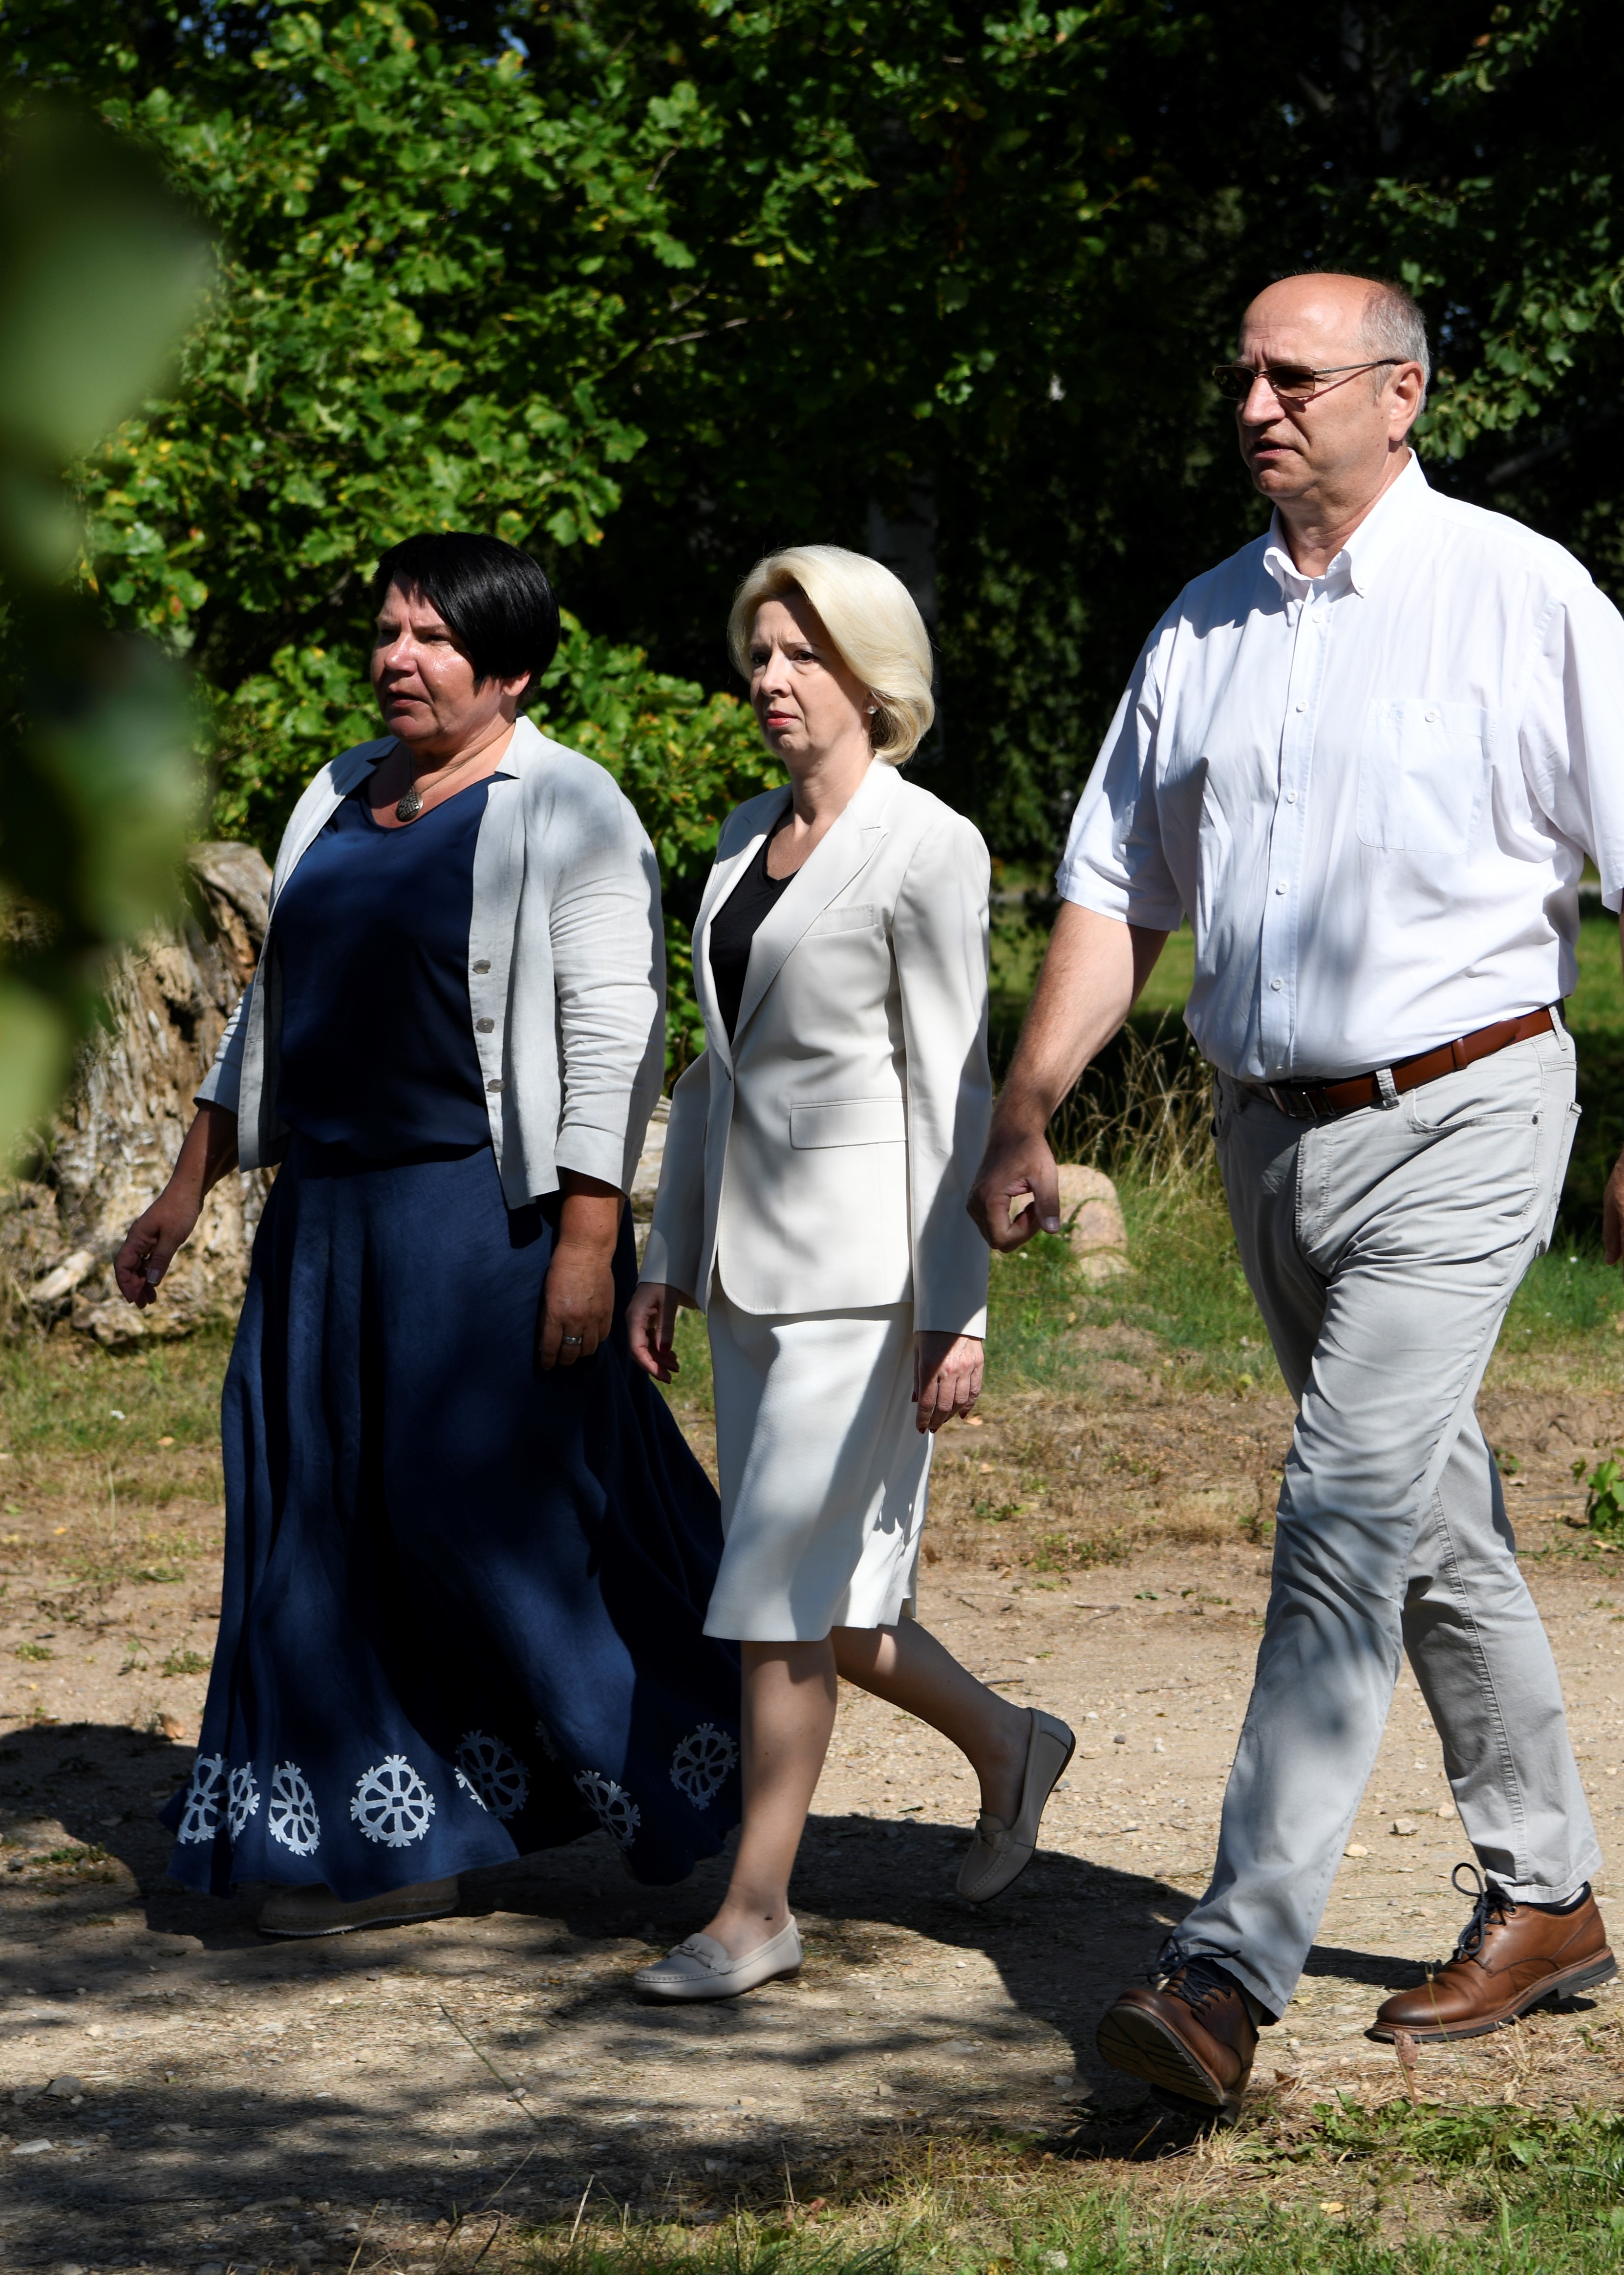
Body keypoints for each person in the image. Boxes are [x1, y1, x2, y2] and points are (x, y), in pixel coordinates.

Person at [970, 273, 1624, 2108]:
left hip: (1468, 1111)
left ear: (1404, 394)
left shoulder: (1522, 592)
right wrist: (1028, 1106)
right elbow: (1114, 895)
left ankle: (1228, 1972)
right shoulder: (1205, 625)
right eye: (1242, 375)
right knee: (1423, 1517)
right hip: (1270, 1137)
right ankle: (1550, 1896)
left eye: (1294, 377)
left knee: (1341, 1510)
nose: (1256, 406)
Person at [116, 531, 743, 1936]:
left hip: (477, 1221)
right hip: (325, 1225)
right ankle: (389, 1841)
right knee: (316, 1514)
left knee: (491, 1517)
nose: (398, 658)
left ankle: (716, 1737)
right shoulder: (339, 792)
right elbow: (274, 1013)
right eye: (390, 632)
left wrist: (589, 1244)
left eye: (433, 639)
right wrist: (186, 1185)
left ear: (509, 671)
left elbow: (615, 1032)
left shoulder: (567, 805)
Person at [620, 545, 1074, 2001]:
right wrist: (666, 1256)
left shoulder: (930, 845)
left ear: (872, 679)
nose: (771, 679)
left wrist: (960, 1308)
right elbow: (714, 1074)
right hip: (747, 1277)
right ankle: (1011, 1743)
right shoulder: (741, 837)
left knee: (768, 1592)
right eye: (759, 653)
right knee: (824, 1601)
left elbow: (954, 1084)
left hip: (867, 1286)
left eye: (802, 654)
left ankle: (756, 1911)